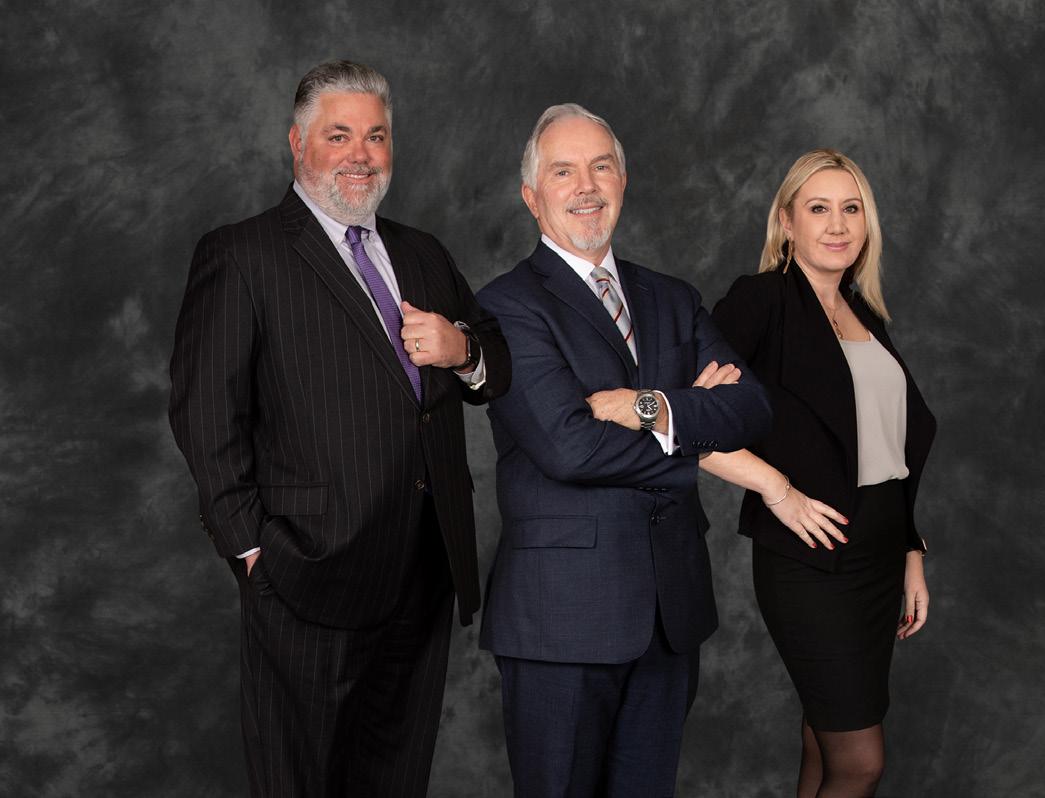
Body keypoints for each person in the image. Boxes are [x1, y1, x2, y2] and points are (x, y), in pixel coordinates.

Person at [168, 60, 510, 797]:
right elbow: (203, 413)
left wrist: (462, 348)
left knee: (394, 780)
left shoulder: (422, 252)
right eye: (339, 135)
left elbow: (496, 366)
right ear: (298, 144)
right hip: (306, 575)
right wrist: (253, 550)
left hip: (422, 571)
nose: (361, 154)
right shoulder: (242, 254)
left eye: (376, 136)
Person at [475, 103, 772, 796]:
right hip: (561, 620)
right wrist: (693, 428)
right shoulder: (505, 306)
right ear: (531, 196)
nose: (586, 186)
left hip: (670, 613)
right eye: (563, 171)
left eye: (600, 166)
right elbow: (570, 448)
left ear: (623, 180)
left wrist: (650, 407)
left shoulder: (672, 298)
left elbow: (751, 408)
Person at [705, 149, 936, 797]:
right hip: (812, 561)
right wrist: (776, 491)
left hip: (879, 558)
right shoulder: (761, 301)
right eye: (818, 208)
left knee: (823, 742)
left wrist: (910, 551)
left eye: (851, 208)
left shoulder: (864, 312)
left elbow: (890, 448)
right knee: (859, 763)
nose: (837, 225)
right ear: (786, 222)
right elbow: (687, 423)